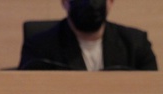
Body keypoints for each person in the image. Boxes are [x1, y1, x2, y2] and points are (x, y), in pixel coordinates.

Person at [18, 0, 157, 70]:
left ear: (110, 2)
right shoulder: (39, 47)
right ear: (65, 2)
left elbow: (152, 93)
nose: (90, 4)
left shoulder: (136, 44)